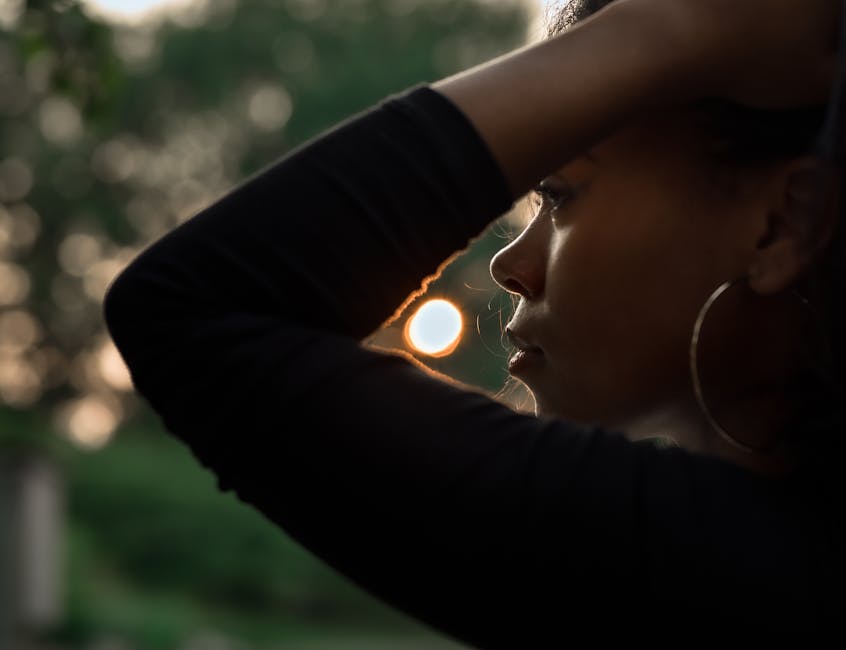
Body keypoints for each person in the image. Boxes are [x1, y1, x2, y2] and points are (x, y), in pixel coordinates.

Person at [103, 0, 846, 645]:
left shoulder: (740, 583)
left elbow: (193, 310)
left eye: (559, 197)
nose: (510, 265)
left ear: (783, 223)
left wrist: (678, 28)